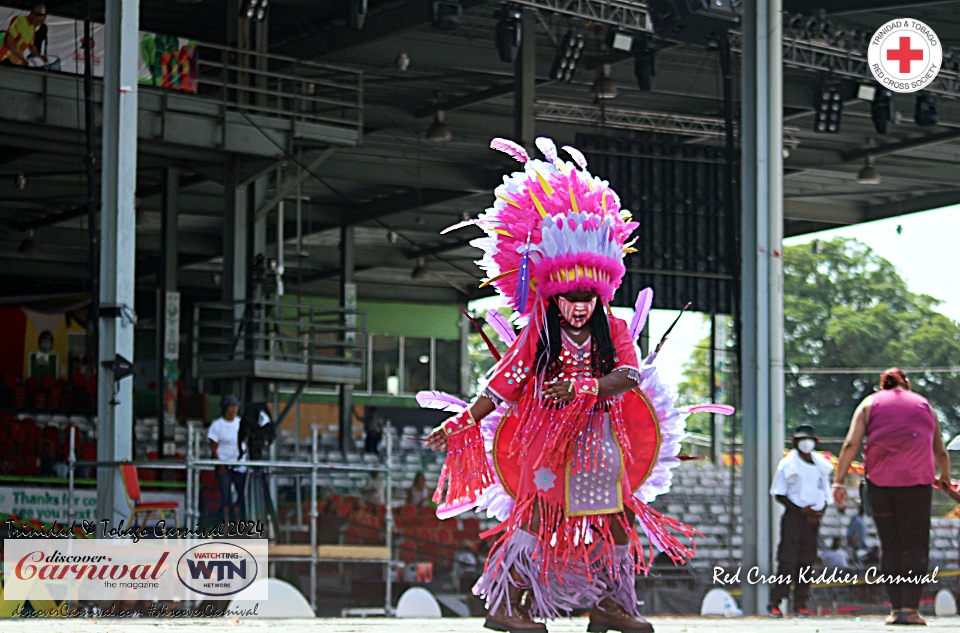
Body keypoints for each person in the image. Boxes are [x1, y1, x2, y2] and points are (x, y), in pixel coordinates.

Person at [424, 137, 708, 633]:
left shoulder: (614, 329)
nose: (578, 307)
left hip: (601, 442)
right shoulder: (539, 330)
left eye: (586, 298)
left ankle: (611, 605)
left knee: (617, 519)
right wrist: (464, 419)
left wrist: (584, 390)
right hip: (547, 442)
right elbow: (505, 383)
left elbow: (630, 376)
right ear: (552, 295)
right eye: (569, 297)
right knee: (537, 516)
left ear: (600, 294)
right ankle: (508, 605)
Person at [833, 368, 953, 626]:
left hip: (880, 485)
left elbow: (850, 444)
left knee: (891, 546)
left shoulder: (868, 404)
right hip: (917, 485)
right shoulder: (924, 405)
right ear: (906, 383)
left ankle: (895, 610)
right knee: (916, 547)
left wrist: (839, 481)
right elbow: (940, 451)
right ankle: (911, 610)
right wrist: (945, 476)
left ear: (883, 385)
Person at [768, 423, 833, 618]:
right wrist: (800, 510)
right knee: (787, 561)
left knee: (806, 561)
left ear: (815, 441)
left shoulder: (821, 465)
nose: (806, 443)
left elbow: (825, 492)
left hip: (812, 520)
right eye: (801, 440)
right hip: (794, 519)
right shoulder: (788, 464)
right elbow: (779, 493)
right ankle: (775, 601)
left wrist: (819, 511)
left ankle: (801, 603)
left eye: (809, 440)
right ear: (794, 442)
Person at [208, 394, 247, 522]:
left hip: (239, 464)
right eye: (231, 407)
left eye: (235, 407)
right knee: (226, 497)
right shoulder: (217, 425)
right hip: (224, 465)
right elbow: (213, 447)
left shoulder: (241, 423)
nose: (233, 409)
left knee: (242, 495)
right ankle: (226, 523)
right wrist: (220, 464)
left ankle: (241, 522)